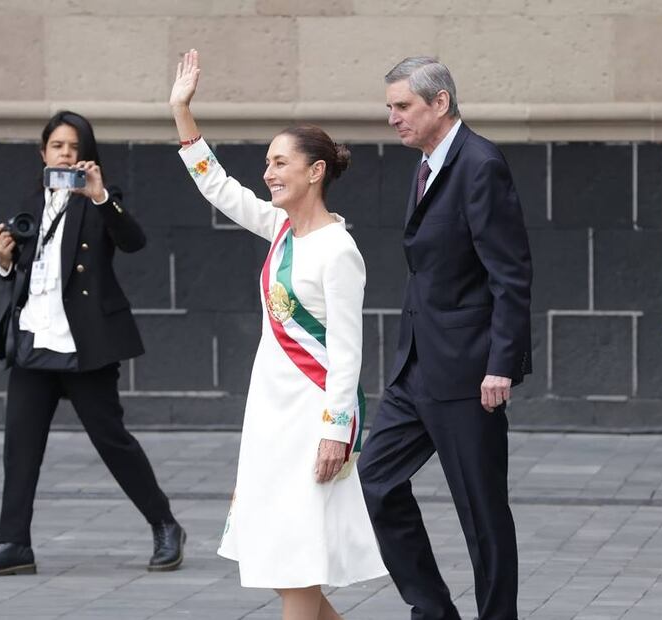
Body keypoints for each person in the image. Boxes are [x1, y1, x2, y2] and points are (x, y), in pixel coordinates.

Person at [169, 50, 387, 619]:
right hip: (269, 416)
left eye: (280, 162)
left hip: (311, 422)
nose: (268, 173)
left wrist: (335, 432)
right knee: (291, 566)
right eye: (267, 162)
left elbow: (346, 353)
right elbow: (219, 188)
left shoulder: (339, 251)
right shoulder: (282, 230)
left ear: (315, 171)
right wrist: (181, 114)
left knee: (296, 566)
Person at [0, 110, 185, 576]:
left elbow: (134, 241)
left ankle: (165, 524)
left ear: (88, 155)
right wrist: (4, 262)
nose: (66, 153)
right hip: (35, 342)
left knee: (112, 441)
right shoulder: (31, 201)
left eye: (74, 147)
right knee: (20, 446)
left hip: (85, 344)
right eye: (58, 146)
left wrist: (100, 195)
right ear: (43, 152)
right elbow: (29, 270)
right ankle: (13, 543)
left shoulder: (100, 199)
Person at [357, 58, 533, 620]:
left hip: (468, 372)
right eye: (389, 107)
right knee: (376, 479)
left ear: (440, 103)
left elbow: (510, 272)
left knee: (481, 514)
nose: (392, 118)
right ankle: (433, 610)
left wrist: (501, 364)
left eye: (402, 106)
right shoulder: (430, 163)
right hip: (417, 366)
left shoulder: (479, 164)